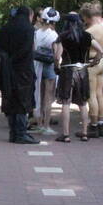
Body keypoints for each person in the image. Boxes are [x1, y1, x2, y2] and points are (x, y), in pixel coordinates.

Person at [53, 12, 102, 142]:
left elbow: (58, 57)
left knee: (66, 102)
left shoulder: (62, 37)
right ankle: (85, 133)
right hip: (82, 71)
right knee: (82, 103)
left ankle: (65, 134)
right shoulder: (87, 36)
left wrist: (57, 66)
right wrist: (94, 62)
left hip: (67, 71)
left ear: (67, 23)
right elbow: (100, 50)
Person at [0, 6, 38, 144]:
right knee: (23, 101)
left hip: (7, 69)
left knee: (10, 98)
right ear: (29, 15)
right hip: (23, 70)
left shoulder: (6, 27)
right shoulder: (29, 29)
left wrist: (7, 59)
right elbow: (27, 49)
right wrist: (15, 59)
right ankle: (21, 133)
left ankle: (13, 132)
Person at [82, 0, 103, 137]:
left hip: (92, 62)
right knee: (100, 93)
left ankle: (92, 125)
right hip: (102, 62)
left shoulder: (89, 31)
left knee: (91, 94)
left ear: (87, 17)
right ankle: (101, 122)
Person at [33, 7, 60, 135]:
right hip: (49, 67)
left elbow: (33, 49)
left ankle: (39, 123)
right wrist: (57, 65)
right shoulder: (54, 35)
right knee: (48, 98)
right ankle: (46, 126)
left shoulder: (36, 32)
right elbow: (56, 55)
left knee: (39, 94)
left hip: (38, 65)